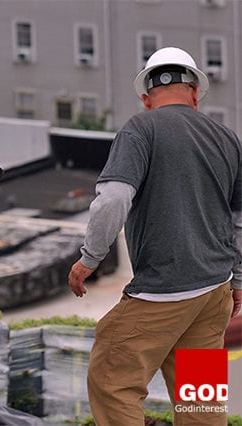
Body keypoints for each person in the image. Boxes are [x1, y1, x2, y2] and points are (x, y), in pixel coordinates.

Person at [68, 46, 242, 425]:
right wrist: (240, 279)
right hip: (215, 291)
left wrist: (90, 258)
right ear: (195, 91)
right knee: (200, 399)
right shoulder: (227, 138)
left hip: (164, 290)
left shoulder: (140, 128)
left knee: (113, 381)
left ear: (146, 97)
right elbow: (240, 218)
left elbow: (112, 199)